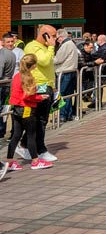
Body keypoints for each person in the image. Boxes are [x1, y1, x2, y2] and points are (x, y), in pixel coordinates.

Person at [16, 24, 57, 163]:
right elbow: (45, 62)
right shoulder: (32, 47)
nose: (55, 39)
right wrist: (51, 46)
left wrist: (53, 85)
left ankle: (25, 144)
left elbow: (50, 66)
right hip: (39, 85)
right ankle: (40, 149)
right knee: (40, 120)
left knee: (41, 118)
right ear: (44, 35)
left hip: (47, 85)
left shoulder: (45, 48)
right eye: (52, 36)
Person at [4, 54, 52, 171]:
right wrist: (41, 97)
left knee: (16, 135)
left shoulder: (17, 76)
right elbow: (28, 96)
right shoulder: (28, 77)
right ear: (34, 65)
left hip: (16, 108)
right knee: (31, 135)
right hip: (27, 109)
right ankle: (35, 161)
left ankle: (9, 161)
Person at [54, 28, 80, 122]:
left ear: (60, 37)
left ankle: (62, 115)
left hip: (64, 72)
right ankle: (68, 114)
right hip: (71, 71)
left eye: (57, 38)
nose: (57, 41)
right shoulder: (72, 44)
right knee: (68, 94)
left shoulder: (65, 45)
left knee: (61, 94)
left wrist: (50, 58)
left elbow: (57, 60)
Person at [0, 34, 17, 139]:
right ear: (3, 42)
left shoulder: (3, 54)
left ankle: (1, 131)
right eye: (8, 42)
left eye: (11, 41)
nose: (10, 43)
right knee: (5, 109)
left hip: (2, 84)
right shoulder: (13, 54)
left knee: (2, 109)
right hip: (7, 84)